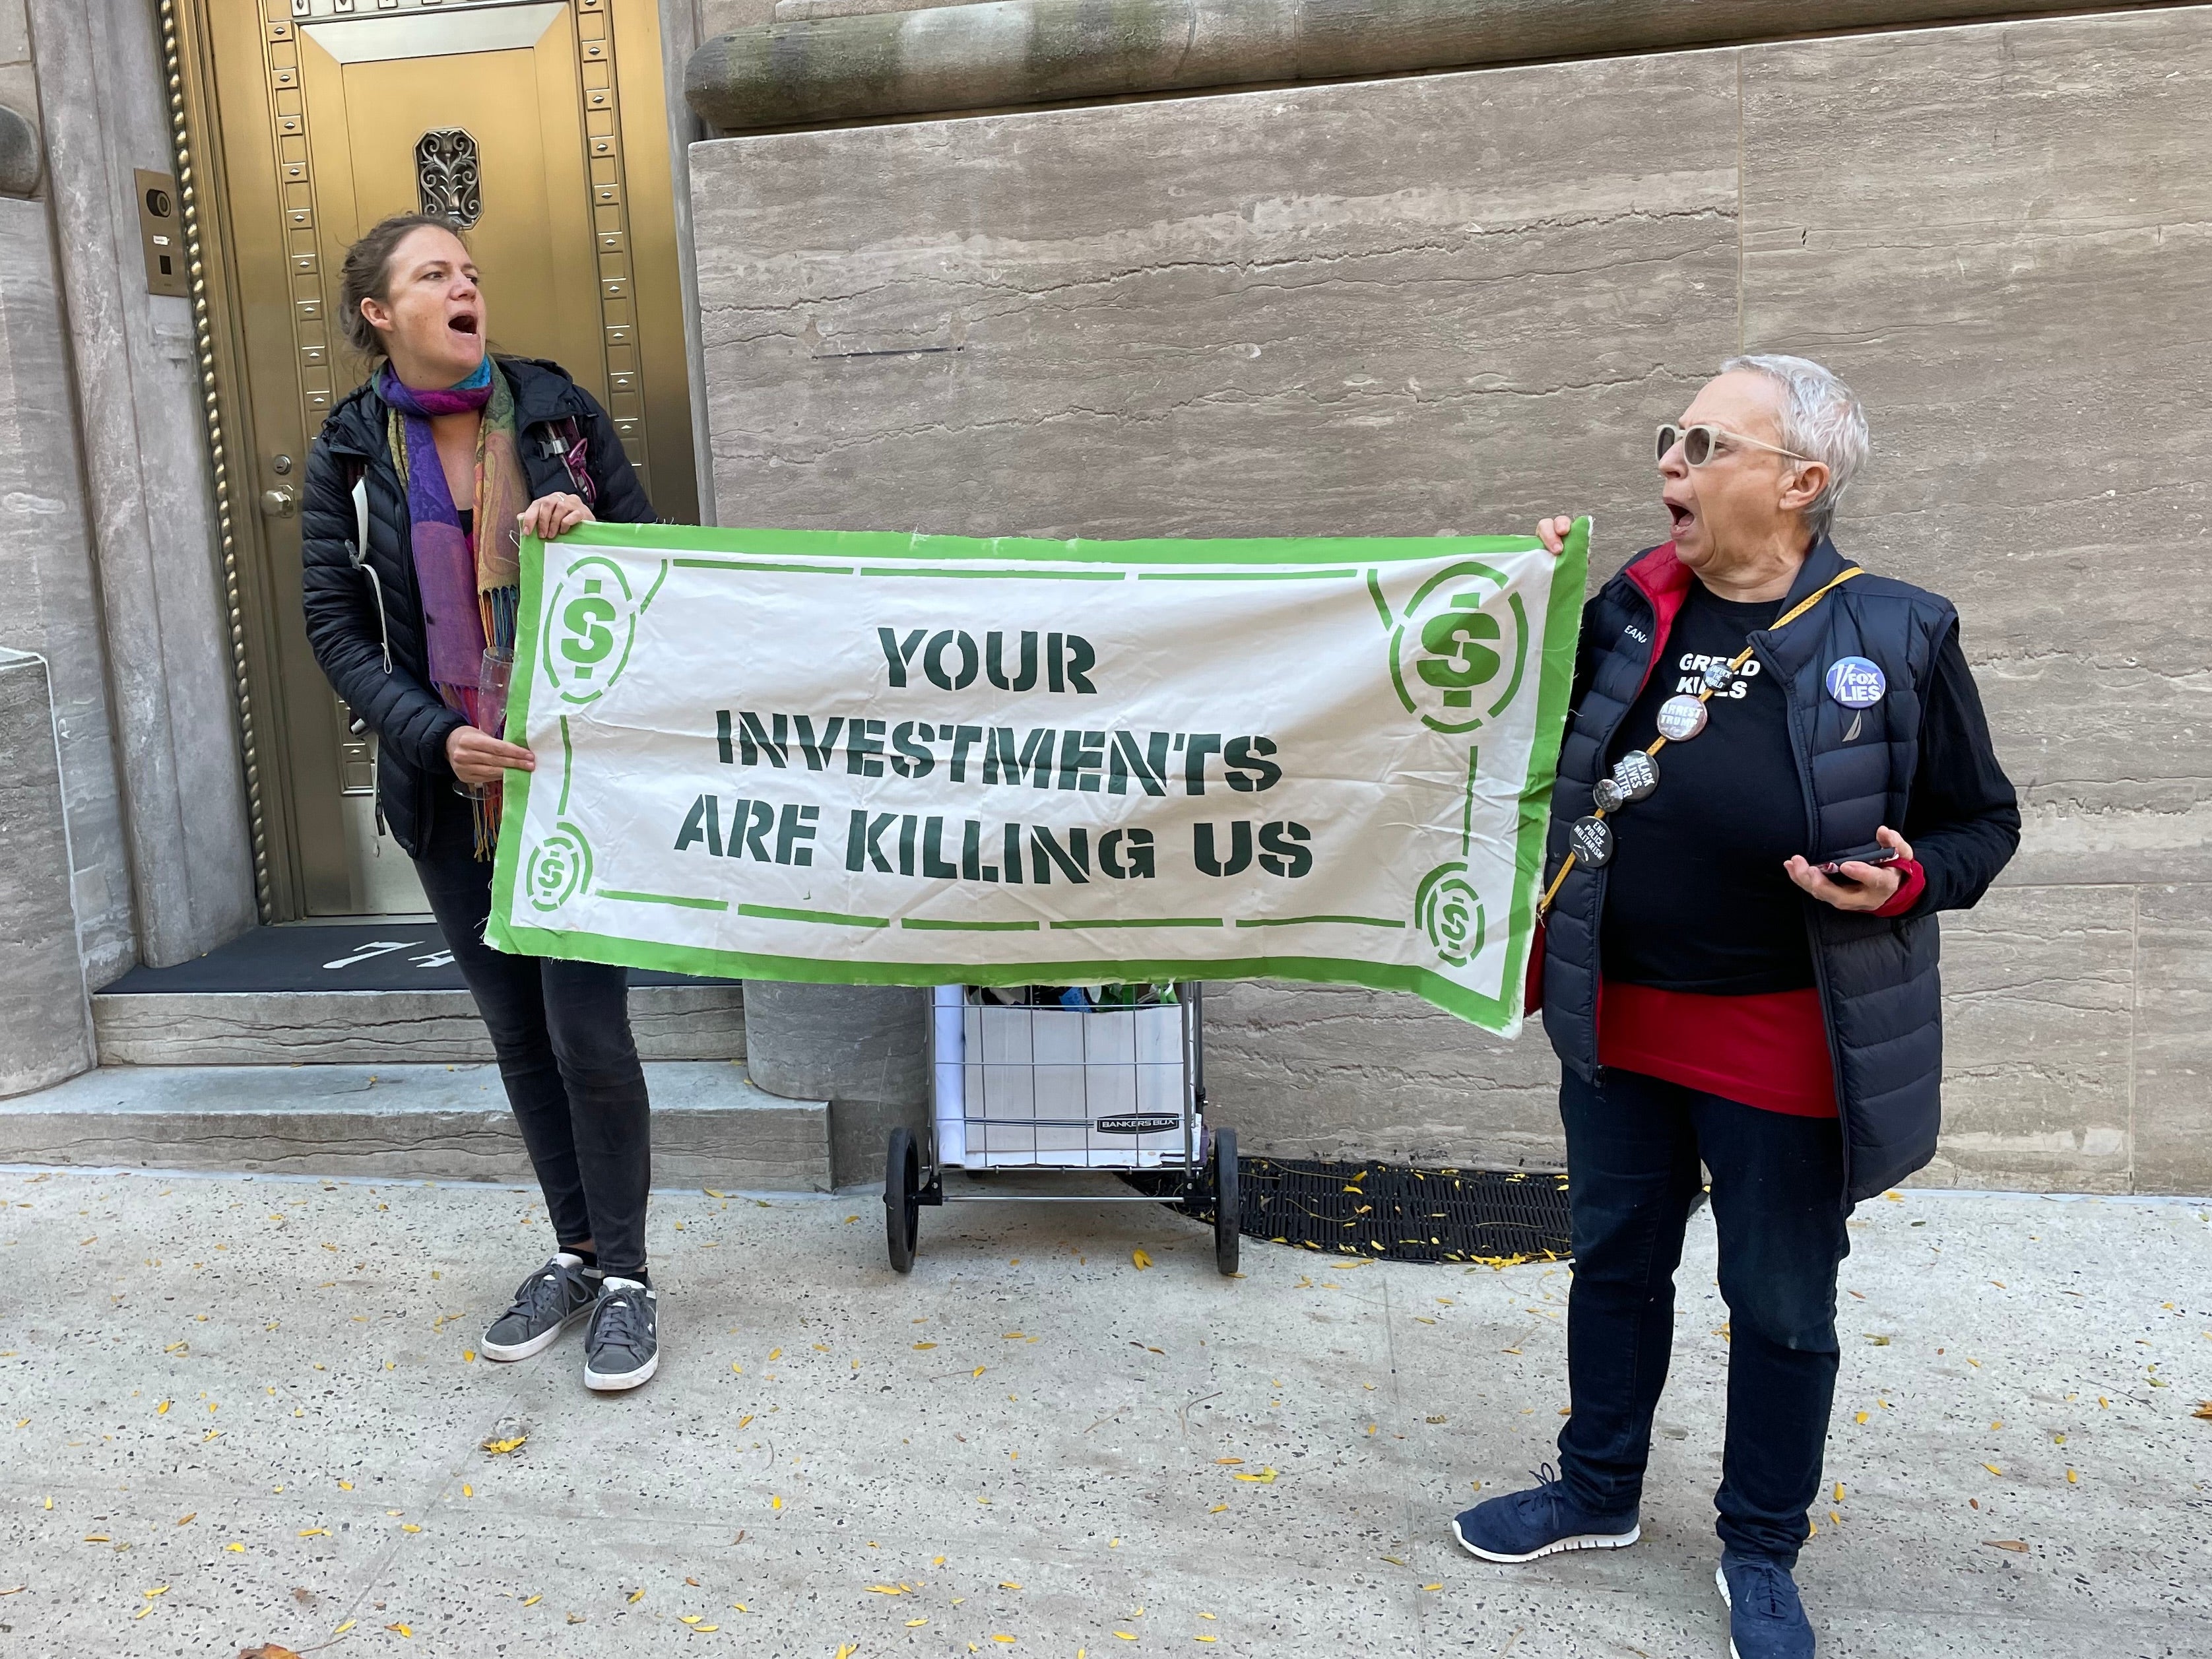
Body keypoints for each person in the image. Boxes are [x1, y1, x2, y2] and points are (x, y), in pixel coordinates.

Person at [1454, 356, 2019, 1658]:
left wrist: (1906, 878)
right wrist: (1522, 593)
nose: (1668, 463)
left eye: (1703, 443)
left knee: (1777, 1305)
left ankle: (1760, 1547)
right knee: (1611, 1266)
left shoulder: (1898, 632)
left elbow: (1979, 821)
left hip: (1782, 1039)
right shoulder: (1625, 609)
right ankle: (1593, 1490)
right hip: (1619, 1017)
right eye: (1670, 437)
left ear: (1798, 482)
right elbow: (1499, 711)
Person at [302, 212, 665, 1392]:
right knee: (518, 1037)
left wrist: (594, 533)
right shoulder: (349, 453)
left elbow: (661, 563)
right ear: (381, 313)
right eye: (434, 275)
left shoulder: (556, 415)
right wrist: (433, 734)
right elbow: (336, 627)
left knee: (588, 1035)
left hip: (571, 783)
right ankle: (578, 1249)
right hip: (447, 790)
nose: (466, 287)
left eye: (470, 271)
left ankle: (629, 1283)